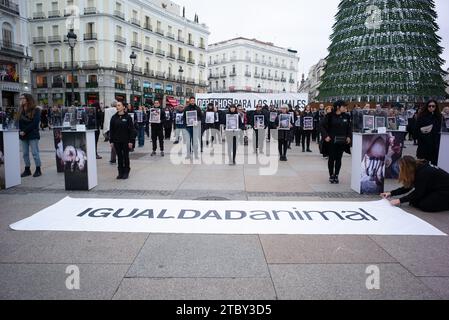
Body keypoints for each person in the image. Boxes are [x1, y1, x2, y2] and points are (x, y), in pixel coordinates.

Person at [381, 156, 449, 212]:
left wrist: (399, 200)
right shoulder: (417, 168)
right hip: (435, 188)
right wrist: (391, 193)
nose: (399, 171)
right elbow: (407, 187)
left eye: (401, 168)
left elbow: (417, 193)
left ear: (406, 168)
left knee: (425, 205)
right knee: (414, 201)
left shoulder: (422, 173)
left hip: (445, 191)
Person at [321, 100, 352, 184]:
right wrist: (325, 136)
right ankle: (331, 175)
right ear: (338, 107)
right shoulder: (330, 116)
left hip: (341, 141)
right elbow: (322, 126)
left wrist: (349, 136)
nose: (345, 108)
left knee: (339, 158)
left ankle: (336, 175)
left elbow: (349, 127)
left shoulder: (346, 116)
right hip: (331, 141)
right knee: (331, 158)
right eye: (344, 106)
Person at [109, 101, 136, 180]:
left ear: (124, 107)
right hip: (117, 141)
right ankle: (120, 172)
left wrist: (131, 141)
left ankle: (126, 171)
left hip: (125, 141)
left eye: (119, 105)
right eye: (117, 105)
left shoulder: (128, 117)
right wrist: (111, 141)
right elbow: (112, 130)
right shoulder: (114, 117)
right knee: (119, 157)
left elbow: (132, 130)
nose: (117, 107)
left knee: (125, 156)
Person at [18, 93, 42, 178]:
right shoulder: (20, 110)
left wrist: (25, 131)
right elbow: (18, 122)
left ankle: (38, 169)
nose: (21, 100)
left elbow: (35, 123)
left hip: (32, 134)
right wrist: (20, 131)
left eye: (22, 98)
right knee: (25, 153)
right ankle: (27, 169)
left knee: (35, 153)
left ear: (28, 99)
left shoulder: (36, 110)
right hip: (23, 135)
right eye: (20, 99)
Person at [416, 100, 442, 166]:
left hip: (435, 143)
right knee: (422, 163)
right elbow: (416, 129)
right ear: (427, 107)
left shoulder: (438, 117)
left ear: (436, 107)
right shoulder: (422, 117)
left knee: (435, 163)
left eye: (433, 106)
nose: (431, 107)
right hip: (424, 143)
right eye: (429, 106)